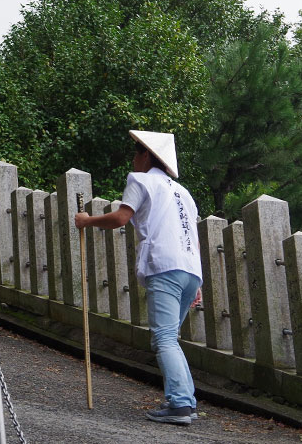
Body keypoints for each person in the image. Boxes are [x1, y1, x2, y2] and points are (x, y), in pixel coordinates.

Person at [74, 130, 203, 426]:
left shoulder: (140, 180)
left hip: (164, 266)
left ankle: (181, 404)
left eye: (136, 153)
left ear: (146, 155)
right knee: (171, 337)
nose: (133, 160)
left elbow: (121, 218)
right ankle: (185, 400)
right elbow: (193, 238)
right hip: (190, 270)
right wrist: (199, 283)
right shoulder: (183, 192)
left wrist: (87, 221)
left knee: (165, 338)